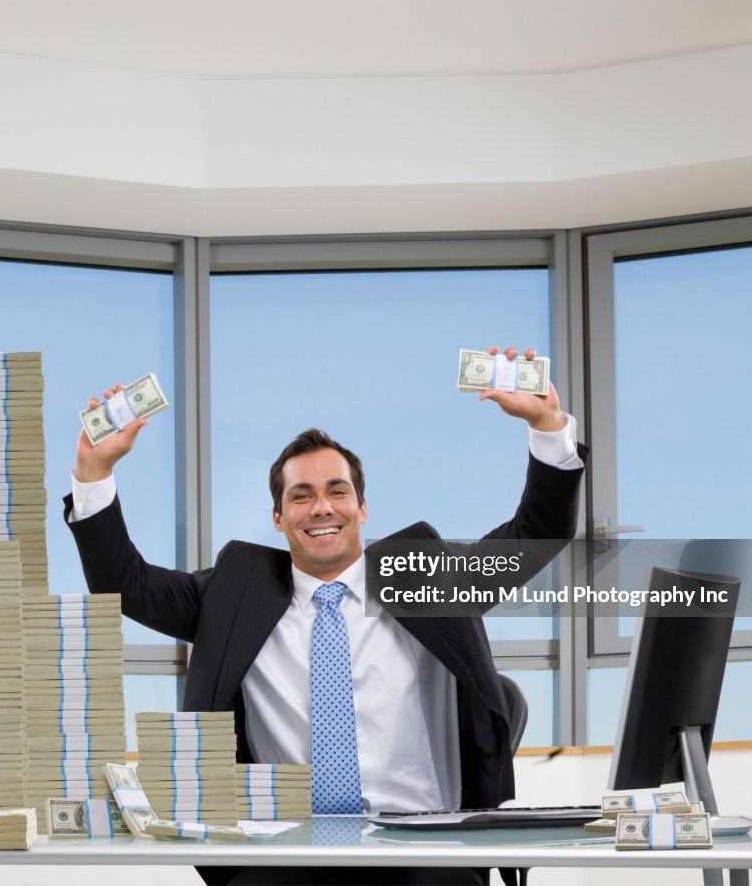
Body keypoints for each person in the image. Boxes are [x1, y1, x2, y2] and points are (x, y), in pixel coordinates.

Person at [65, 347, 586, 886]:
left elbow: (535, 534)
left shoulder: (429, 574)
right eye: (302, 496)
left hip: (420, 842)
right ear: (278, 516)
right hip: (287, 846)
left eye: (338, 491)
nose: (321, 508)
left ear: (362, 508)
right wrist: (94, 470)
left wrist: (547, 426)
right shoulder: (233, 593)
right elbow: (123, 585)